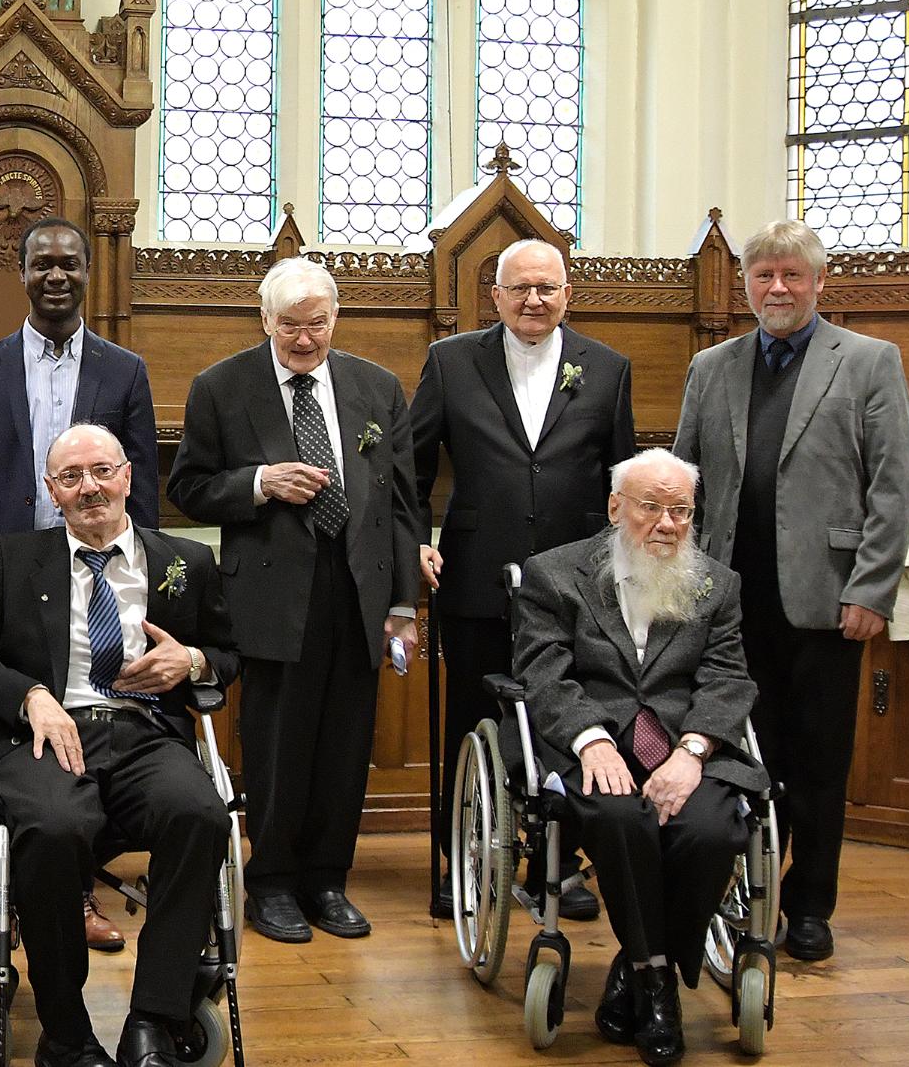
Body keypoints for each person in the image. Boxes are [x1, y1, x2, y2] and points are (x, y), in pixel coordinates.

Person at [0, 424, 238, 1067]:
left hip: (145, 732)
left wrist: (194, 661)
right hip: (45, 734)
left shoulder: (186, 561)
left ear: (127, 475)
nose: (89, 487)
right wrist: (32, 694)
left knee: (200, 815)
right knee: (54, 825)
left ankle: (153, 1015)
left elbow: (228, 655)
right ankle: (65, 1031)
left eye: (100, 471)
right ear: (51, 490)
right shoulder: (13, 557)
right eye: (71, 477)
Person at [672, 219, 909, 963]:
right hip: (727, 607)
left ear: (817, 282)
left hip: (823, 603)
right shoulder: (710, 367)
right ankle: (741, 894)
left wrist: (870, 589)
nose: (776, 289)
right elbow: (683, 481)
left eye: (791, 276)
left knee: (815, 764)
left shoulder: (869, 361)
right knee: (739, 755)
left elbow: (893, 485)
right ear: (742, 283)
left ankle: (808, 905)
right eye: (762, 276)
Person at [168, 256, 420, 943]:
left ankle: (327, 881)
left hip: (358, 591)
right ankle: (271, 883)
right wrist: (258, 483)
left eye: (316, 325)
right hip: (273, 597)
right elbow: (187, 487)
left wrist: (402, 604)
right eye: (289, 328)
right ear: (263, 320)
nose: (305, 341)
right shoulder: (221, 386)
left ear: (334, 317)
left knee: (345, 748)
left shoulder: (375, 386)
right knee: (278, 748)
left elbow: (402, 504)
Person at [512, 449, 765, 1067]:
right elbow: (543, 674)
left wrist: (694, 750)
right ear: (616, 507)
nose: (667, 523)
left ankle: (635, 963)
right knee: (621, 819)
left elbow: (727, 678)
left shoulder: (716, 583)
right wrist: (591, 738)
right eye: (651, 507)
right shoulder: (556, 573)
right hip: (595, 741)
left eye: (680, 510)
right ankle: (660, 989)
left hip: (684, 746)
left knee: (709, 830)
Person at [0, 213, 159, 952]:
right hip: (11, 583)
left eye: (69, 263)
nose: (57, 276)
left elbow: (143, 492)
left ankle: (74, 896)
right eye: (42, 264)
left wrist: (150, 589)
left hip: (95, 582)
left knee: (82, 737)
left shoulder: (123, 370)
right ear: (22, 275)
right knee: (14, 737)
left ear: (86, 272)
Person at [409, 237, 633, 920]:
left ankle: (560, 867)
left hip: (579, 585)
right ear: (495, 296)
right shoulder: (450, 362)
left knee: (570, 718)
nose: (532, 300)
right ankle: (463, 858)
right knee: (472, 721)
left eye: (546, 288)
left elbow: (620, 476)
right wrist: (414, 542)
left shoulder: (608, 367)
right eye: (518, 288)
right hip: (476, 572)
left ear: (567, 294)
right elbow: (410, 467)